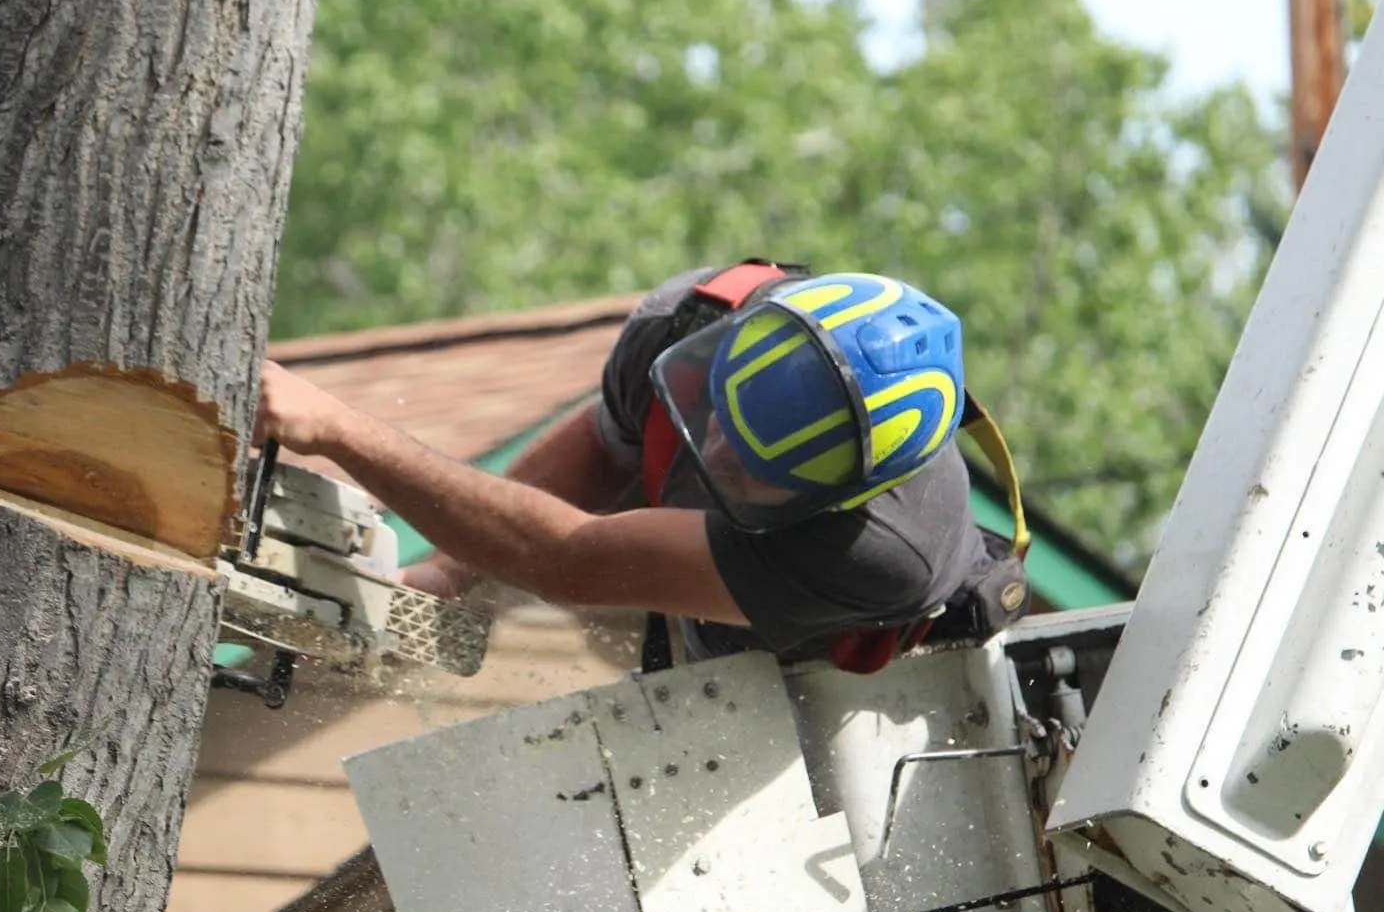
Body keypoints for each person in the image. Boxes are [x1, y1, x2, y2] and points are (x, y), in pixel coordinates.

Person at [255, 264, 1026, 670]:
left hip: (832, 661)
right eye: (720, 415)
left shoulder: (878, 552)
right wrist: (446, 574)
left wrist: (338, 428)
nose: (715, 454)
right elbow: (603, 446)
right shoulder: (691, 317)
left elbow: (567, 560)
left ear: (833, 499)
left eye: (753, 467)